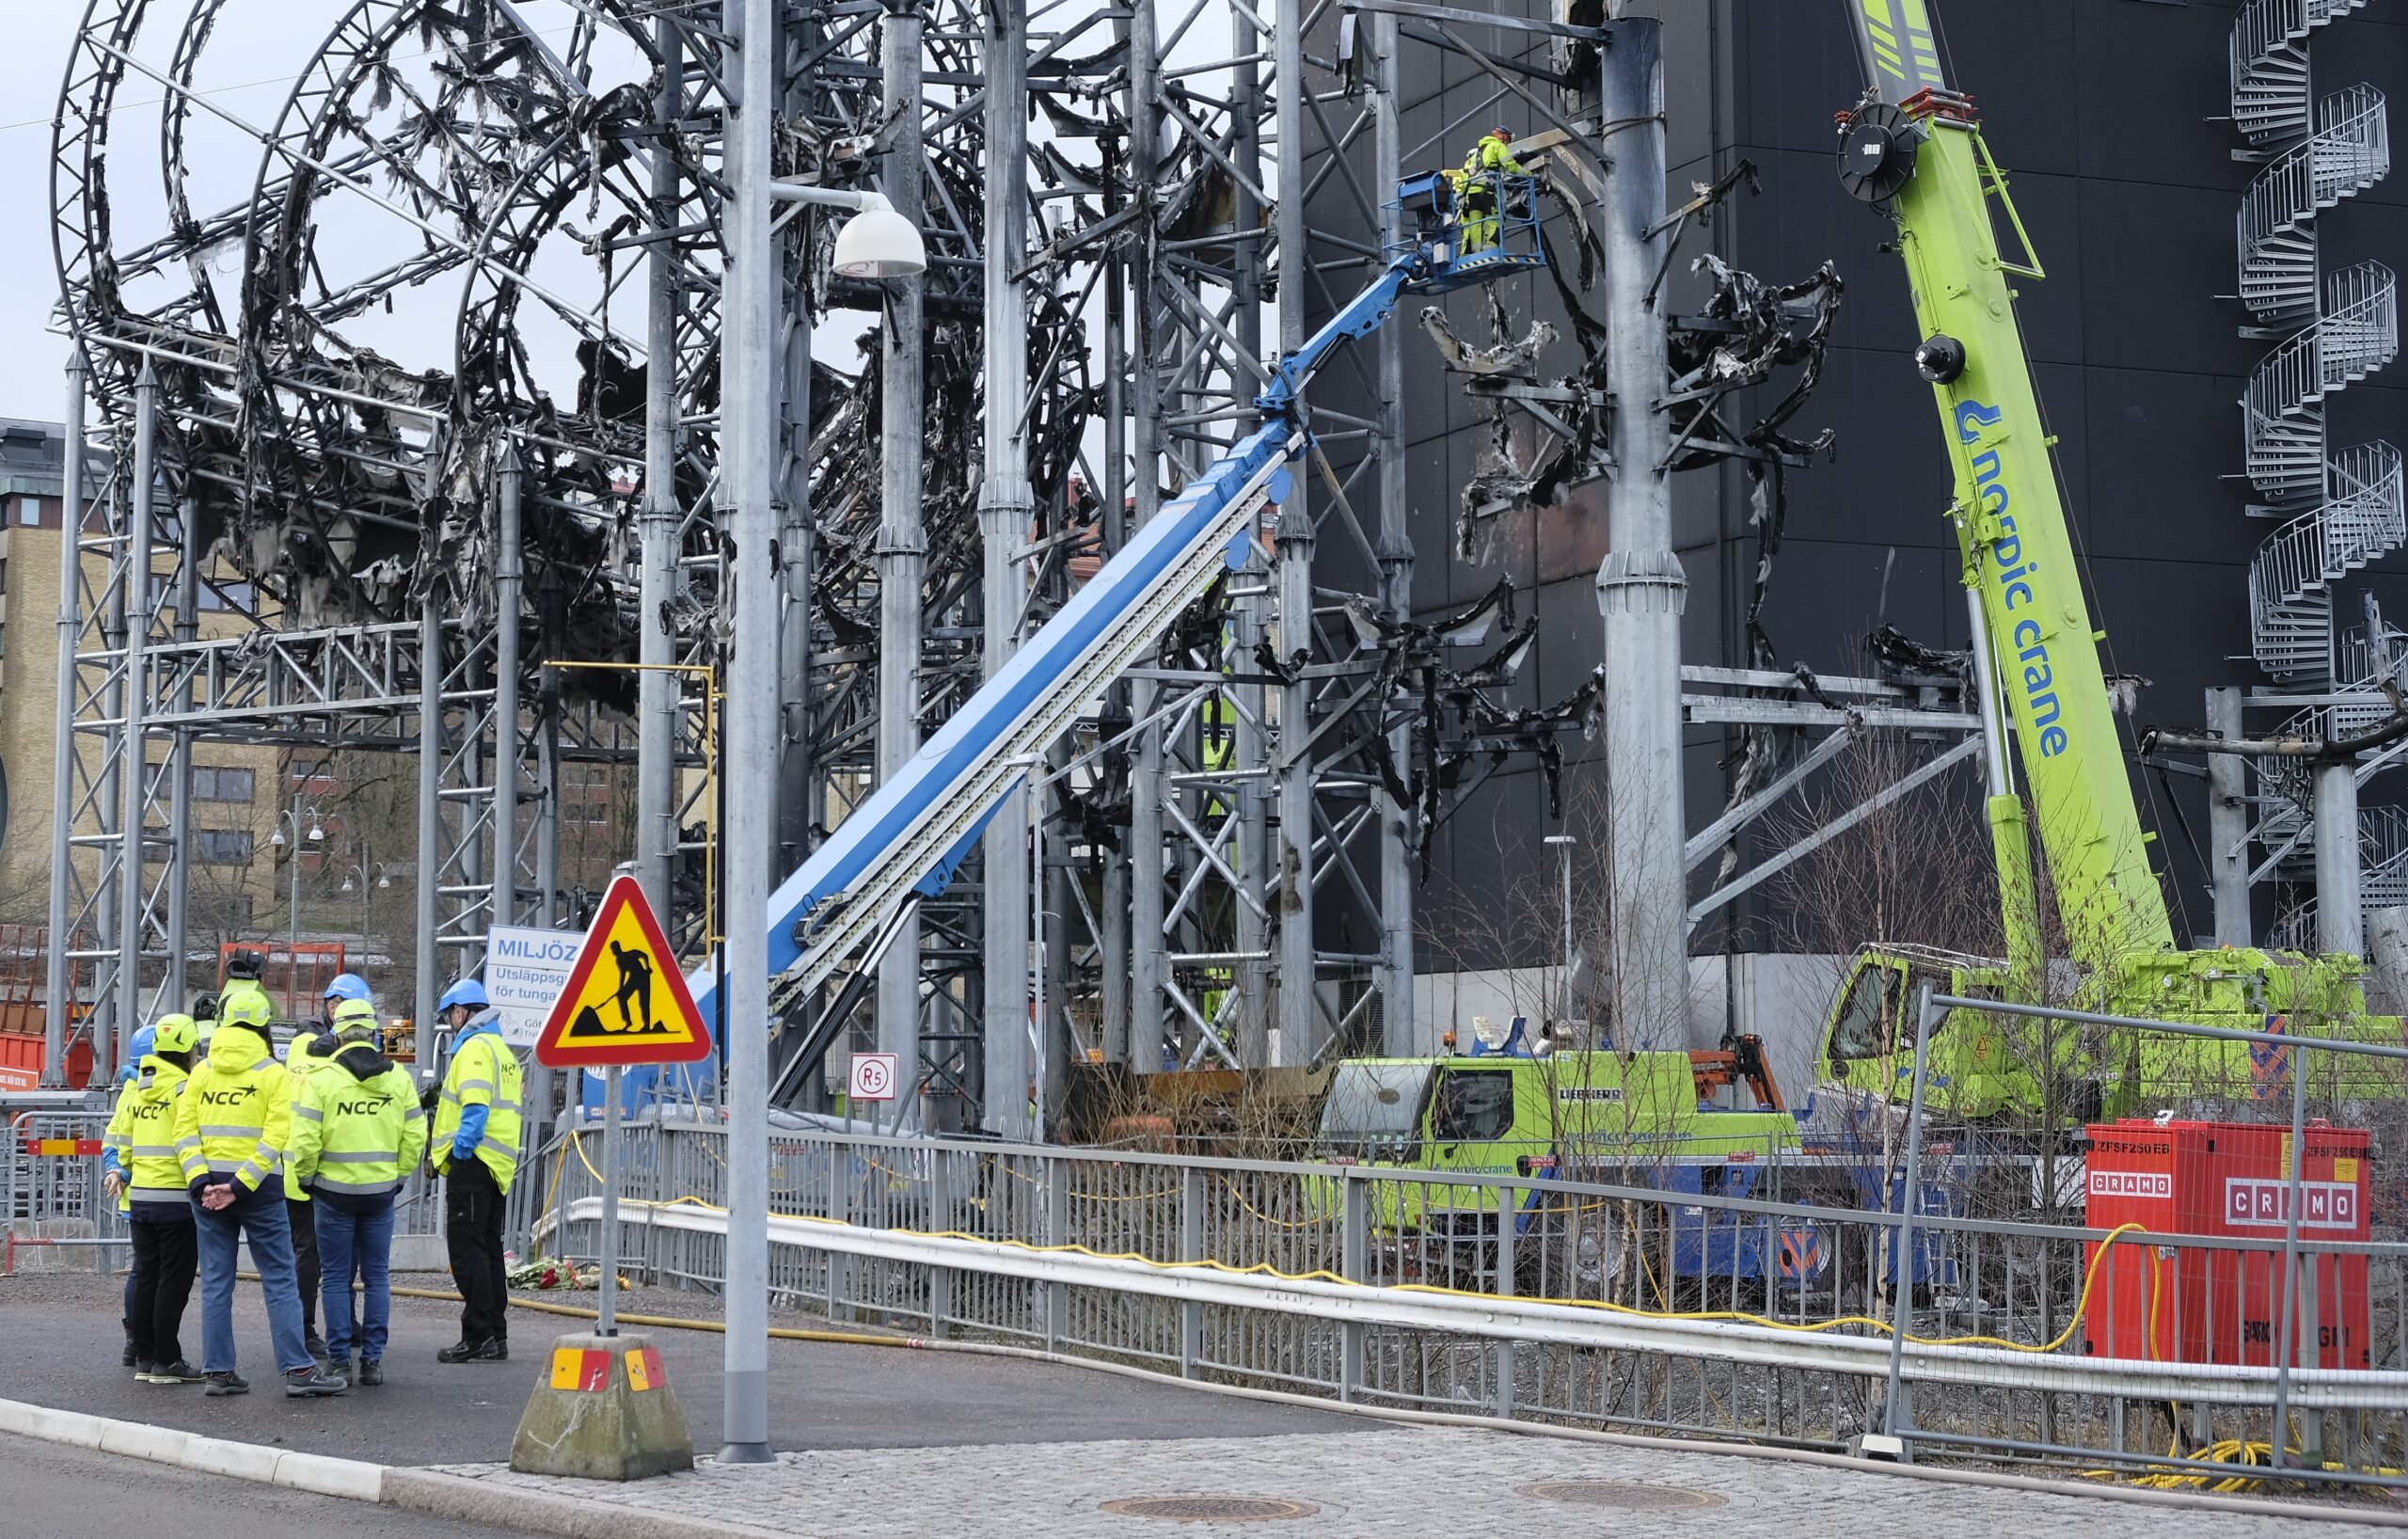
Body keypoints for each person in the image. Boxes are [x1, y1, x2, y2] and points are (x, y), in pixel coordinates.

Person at [171, 990, 348, 1398]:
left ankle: (218, 1372)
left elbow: (183, 1133)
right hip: (258, 1189)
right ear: (263, 1025)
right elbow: (275, 1138)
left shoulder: (201, 1073)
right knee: (281, 1278)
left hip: (207, 1190)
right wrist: (239, 1186)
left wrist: (202, 1184)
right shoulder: (272, 1073)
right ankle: (299, 1372)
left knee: (216, 1281)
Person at [288, 995, 424, 1387]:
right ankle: (373, 1362)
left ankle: (339, 1361)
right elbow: (415, 1134)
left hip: (331, 1193)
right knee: (377, 1276)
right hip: (380, 1193)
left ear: (339, 1033)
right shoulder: (398, 1078)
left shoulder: (323, 1080)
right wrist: (398, 1176)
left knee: (334, 1278)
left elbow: (306, 1139)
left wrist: (307, 1178)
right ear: (373, 1031)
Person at [104, 1021, 203, 1382]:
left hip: (141, 1198)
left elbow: (123, 1146)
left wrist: (120, 1172)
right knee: (172, 1284)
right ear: (188, 1051)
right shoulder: (184, 1089)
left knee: (146, 1277)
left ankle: (145, 1357)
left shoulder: (138, 1091)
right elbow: (192, 1140)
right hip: (176, 1199)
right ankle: (167, 1360)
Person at [429, 977, 522, 1363]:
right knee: (488, 1252)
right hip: (497, 1166)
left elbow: (475, 1109)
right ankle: (495, 1336)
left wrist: (459, 1151)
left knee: (466, 1252)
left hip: (474, 1162)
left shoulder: (474, 1049)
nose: (451, 1022)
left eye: (451, 1014)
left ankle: (478, 1334)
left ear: (461, 1012)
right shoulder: (503, 1050)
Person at [281, 1023, 340, 1360]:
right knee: (311, 1256)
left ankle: (294, 1326)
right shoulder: (325, 1070)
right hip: (313, 1176)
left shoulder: (292, 1064)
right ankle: (304, 1327)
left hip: (286, 1175)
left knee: (295, 1254)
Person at [1457, 126, 1526, 253]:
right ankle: (1491, 251)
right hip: (1486, 192)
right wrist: (1528, 175)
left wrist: (1461, 197)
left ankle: (1477, 253)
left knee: (1475, 224)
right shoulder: (1497, 147)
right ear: (1504, 137)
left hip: (1472, 194)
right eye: (1508, 141)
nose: (1507, 144)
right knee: (1493, 221)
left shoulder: (1477, 154)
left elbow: (1464, 176)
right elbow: (1510, 166)